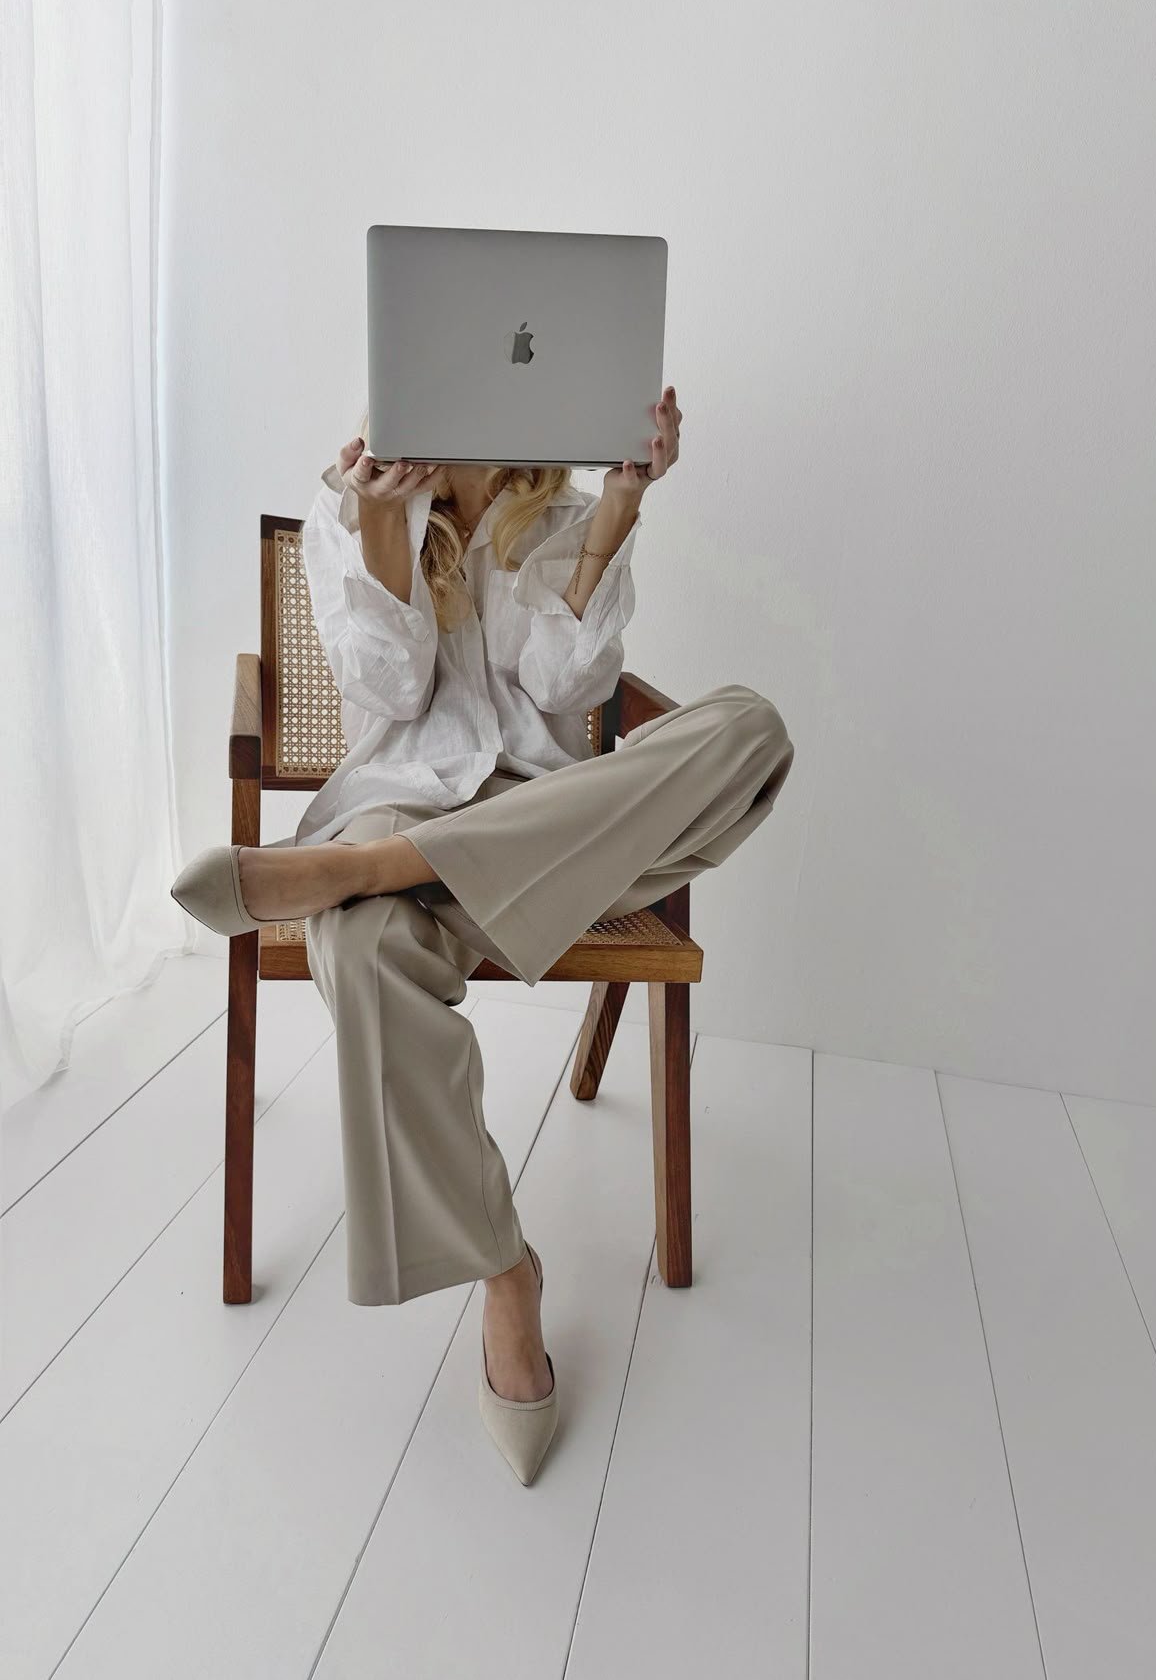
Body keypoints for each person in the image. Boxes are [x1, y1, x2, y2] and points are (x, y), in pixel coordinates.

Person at [170, 384, 794, 1483]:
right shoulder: (348, 505)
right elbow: (391, 687)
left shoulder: (558, 509)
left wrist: (617, 514)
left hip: (552, 820)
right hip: (411, 794)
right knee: (365, 950)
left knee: (751, 729)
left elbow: (568, 685)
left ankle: (357, 873)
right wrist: (377, 524)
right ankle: (506, 1273)